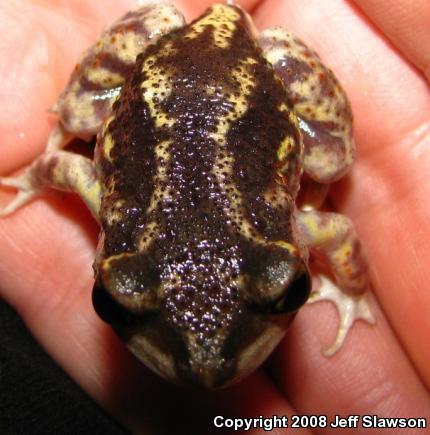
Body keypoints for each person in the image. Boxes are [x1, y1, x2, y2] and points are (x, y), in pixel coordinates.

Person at [0, 0, 429, 432]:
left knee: (332, 159)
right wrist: (348, 286)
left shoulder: (274, 231)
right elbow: (63, 167)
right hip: (166, 72)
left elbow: (65, 166)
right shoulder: (119, 212)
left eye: (288, 291)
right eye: (117, 303)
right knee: (81, 111)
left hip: (251, 73)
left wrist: (356, 291)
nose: (207, 363)